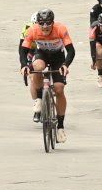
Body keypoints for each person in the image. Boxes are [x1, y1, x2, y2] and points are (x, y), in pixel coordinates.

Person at [21, 9, 75, 142]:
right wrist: (24, 66)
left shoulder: (60, 29)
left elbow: (71, 51)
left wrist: (65, 65)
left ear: (53, 22)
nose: (45, 26)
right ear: (38, 23)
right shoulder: (32, 30)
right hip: (42, 54)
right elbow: (23, 51)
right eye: (42, 23)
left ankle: (60, 127)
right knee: (37, 67)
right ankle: (39, 99)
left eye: (48, 23)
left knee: (59, 89)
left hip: (58, 57)